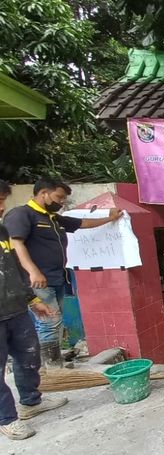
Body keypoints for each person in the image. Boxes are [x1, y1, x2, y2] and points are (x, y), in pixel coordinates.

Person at [3, 178, 123, 367]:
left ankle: (48, 362)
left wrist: (110, 217)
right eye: (58, 197)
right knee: (50, 321)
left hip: (56, 278)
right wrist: (33, 271)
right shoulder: (23, 214)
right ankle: (51, 366)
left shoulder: (53, 218)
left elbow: (83, 223)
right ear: (44, 193)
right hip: (37, 281)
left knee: (52, 322)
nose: (61, 203)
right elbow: (15, 243)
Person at [0, 180, 68, 441]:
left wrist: (31, 300)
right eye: (0, 202)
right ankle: (7, 418)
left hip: (16, 308)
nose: (3, 207)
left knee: (28, 358)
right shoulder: (22, 217)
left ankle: (31, 402)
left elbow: (14, 269)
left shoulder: (2, 233)